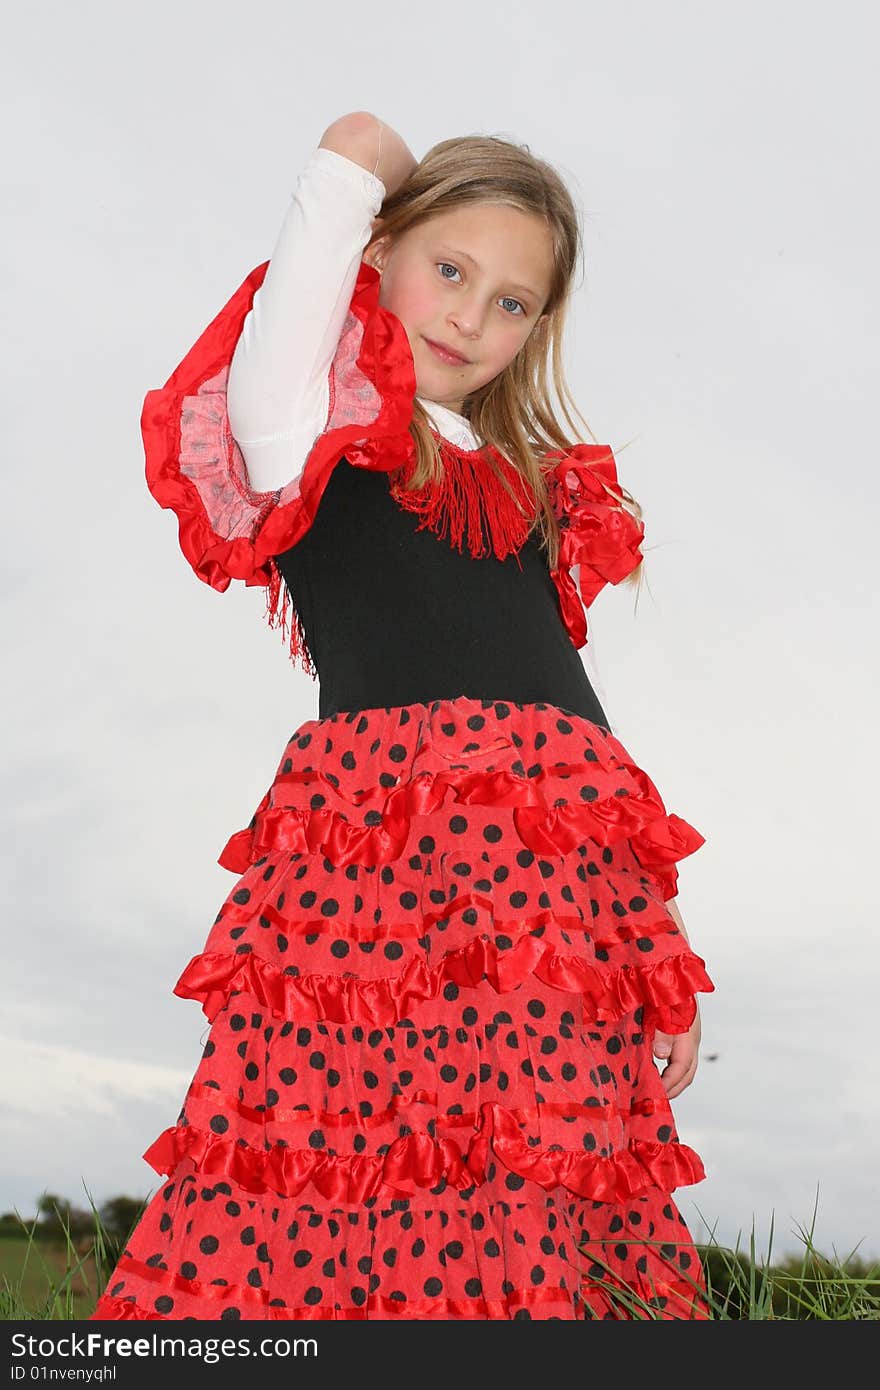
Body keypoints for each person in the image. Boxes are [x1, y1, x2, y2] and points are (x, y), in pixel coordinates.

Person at [91, 111, 715, 1321]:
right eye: (448, 270)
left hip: (549, 883)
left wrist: (657, 929)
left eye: (512, 303)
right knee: (354, 1148)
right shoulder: (307, 420)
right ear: (375, 256)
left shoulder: (523, 481)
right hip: (383, 853)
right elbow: (351, 158)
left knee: (538, 1167)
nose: (470, 319)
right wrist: (373, 185)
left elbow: (569, 709)